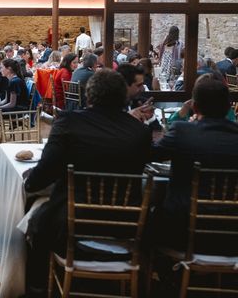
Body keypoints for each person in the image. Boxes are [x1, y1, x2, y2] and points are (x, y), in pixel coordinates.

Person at [24, 70, 152, 296]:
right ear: (124, 96)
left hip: (72, 224)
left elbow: (44, 174)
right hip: (125, 224)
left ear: (89, 96)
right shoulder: (140, 132)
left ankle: (37, 286)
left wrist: (29, 182)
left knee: (35, 220)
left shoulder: (69, 122)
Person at [151, 74, 238, 252]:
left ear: (195, 107)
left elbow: (151, 154)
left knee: (151, 208)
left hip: (182, 228)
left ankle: (161, 273)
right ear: (228, 106)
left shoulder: (183, 131)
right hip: (231, 230)